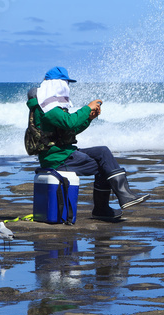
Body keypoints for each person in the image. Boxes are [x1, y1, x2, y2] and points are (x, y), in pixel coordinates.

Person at [26, 66, 149, 221]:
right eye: (65, 83)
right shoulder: (46, 108)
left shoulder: (49, 106)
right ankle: (106, 206)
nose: (67, 87)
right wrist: (87, 108)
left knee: (103, 152)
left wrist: (89, 118)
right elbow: (69, 123)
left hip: (64, 153)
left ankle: (117, 200)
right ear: (57, 84)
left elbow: (70, 130)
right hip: (58, 159)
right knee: (105, 165)